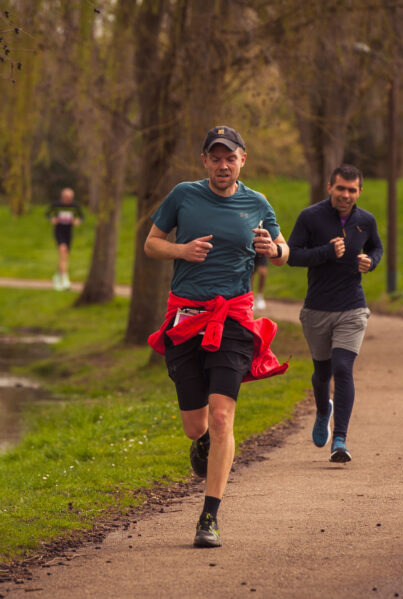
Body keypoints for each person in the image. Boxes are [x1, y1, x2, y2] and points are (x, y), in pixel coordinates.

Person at [145, 125, 289, 548]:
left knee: (224, 414)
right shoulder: (183, 195)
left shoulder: (257, 203)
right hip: (187, 318)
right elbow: (151, 244)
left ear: (243, 159)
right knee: (196, 425)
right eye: (216, 157)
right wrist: (181, 250)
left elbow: (283, 251)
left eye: (231, 157)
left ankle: (209, 517)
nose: (223, 164)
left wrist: (273, 249)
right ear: (205, 161)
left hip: (234, 321)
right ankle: (202, 440)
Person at [286, 164, 382, 464]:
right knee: (322, 373)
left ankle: (340, 439)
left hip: (352, 307)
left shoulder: (366, 221)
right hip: (317, 309)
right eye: (341, 188)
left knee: (342, 368)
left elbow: (377, 248)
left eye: (352, 190)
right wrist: (326, 252)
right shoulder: (310, 217)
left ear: (360, 191)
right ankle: (323, 409)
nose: (346, 195)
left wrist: (372, 261)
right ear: (330, 187)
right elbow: (292, 255)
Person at [45, 187, 83, 290]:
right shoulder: (56, 205)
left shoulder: (75, 206)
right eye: (66, 197)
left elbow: (81, 217)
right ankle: (66, 280)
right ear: (62, 196)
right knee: (62, 251)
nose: (67, 199)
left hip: (69, 232)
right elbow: (47, 214)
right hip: (59, 231)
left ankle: (57, 276)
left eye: (69, 197)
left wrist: (78, 221)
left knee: (64, 257)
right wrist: (52, 219)